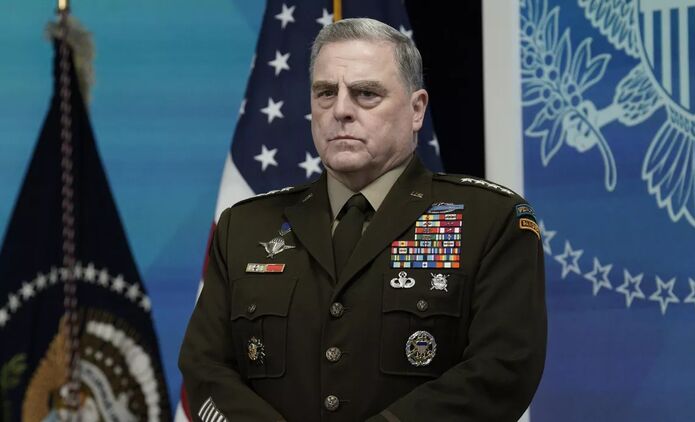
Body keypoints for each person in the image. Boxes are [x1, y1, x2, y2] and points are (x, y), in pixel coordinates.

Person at [179, 17, 546, 422]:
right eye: (325, 93)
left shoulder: (490, 222)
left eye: (366, 93)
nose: (340, 110)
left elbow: (502, 370)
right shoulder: (245, 228)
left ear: (416, 109)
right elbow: (204, 368)